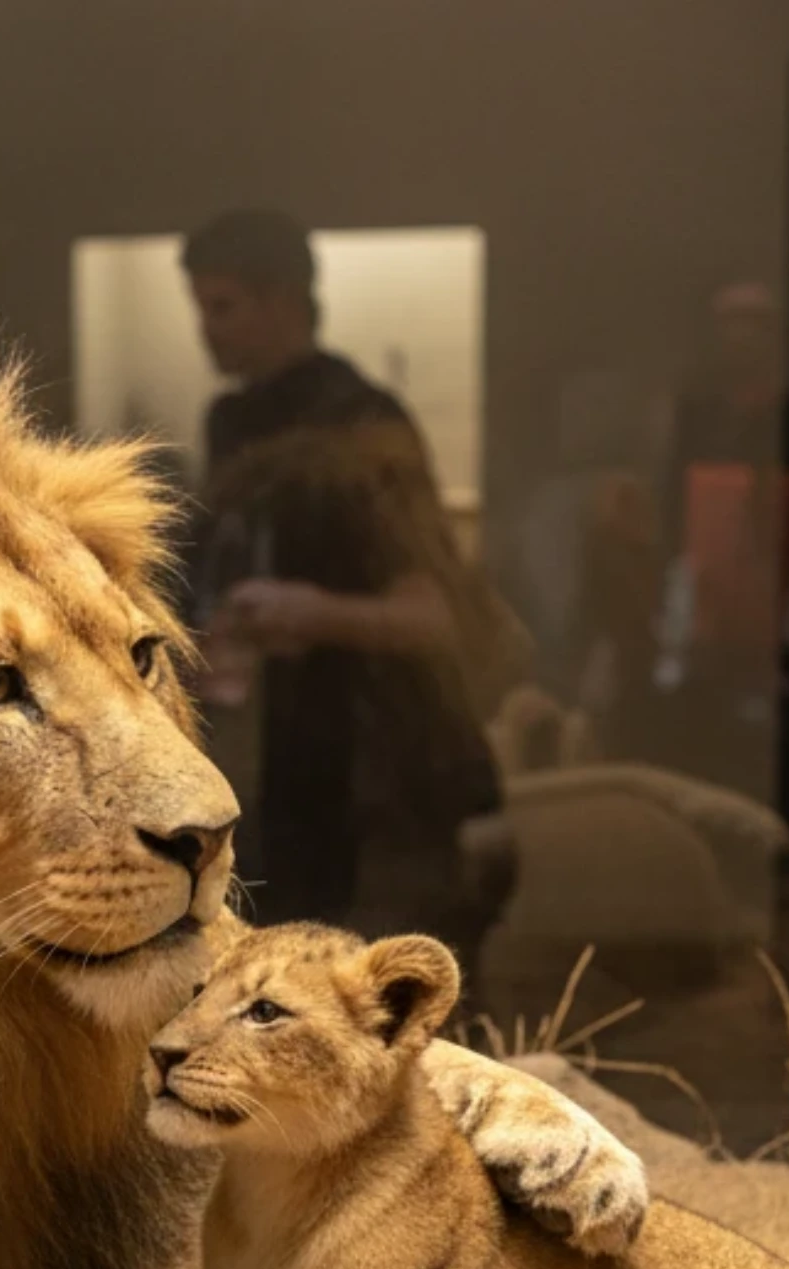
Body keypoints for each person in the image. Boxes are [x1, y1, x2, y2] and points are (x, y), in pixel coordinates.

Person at [181, 208, 515, 965]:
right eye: (201, 309)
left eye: (223, 307)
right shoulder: (232, 419)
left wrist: (314, 613)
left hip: (370, 788)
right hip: (274, 776)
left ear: (282, 299)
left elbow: (436, 617)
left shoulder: (362, 420)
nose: (207, 330)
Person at [646, 280, 789, 842]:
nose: (741, 336)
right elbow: (671, 524)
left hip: (781, 633)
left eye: (755, 324)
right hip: (703, 627)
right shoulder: (696, 420)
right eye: (731, 324)